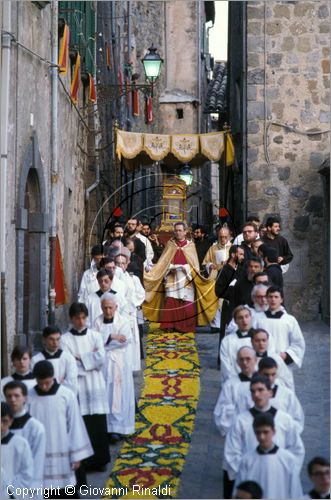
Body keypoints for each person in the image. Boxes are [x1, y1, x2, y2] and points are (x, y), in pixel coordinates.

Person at [223, 375, 305, 498]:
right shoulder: (241, 420)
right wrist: (246, 469)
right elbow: (232, 452)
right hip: (251, 477)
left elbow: (297, 449)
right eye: (253, 391)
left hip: (280, 480)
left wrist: (285, 469)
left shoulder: (285, 420)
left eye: (260, 390)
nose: (256, 394)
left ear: (270, 393)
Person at [29, 361, 93, 498]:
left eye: (47, 382)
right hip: (39, 455)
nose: (44, 387)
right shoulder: (29, 397)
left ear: (53, 377)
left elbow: (75, 425)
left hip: (63, 455)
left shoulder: (66, 395)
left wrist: (77, 456)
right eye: (41, 383)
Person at [143, 222, 218, 333]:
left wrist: (185, 268)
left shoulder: (190, 246)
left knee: (187, 304)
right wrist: (170, 267)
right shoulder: (170, 244)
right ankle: (169, 326)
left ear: (185, 231)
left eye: (180, 230)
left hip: (186, 278)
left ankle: (186, 327)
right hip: (172, 277)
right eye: (176, 230)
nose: (178, 233)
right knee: (171, 301)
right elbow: (164, 262)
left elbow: (195, 265)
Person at [61, 303, 110, 472]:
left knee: (97, 423)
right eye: (77, 318)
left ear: (87, 317)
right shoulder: (65, 339)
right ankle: (85, 463)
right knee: (82, 424)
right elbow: (69, 364)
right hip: (78, 387)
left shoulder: (96, 336)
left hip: (95, 385)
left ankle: (100, 460)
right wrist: (89, 359)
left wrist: (80, 358)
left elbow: (101, 358)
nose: (81, 322)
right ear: (71, 319)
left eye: (83, 317)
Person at [94, 293, 135, 443]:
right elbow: (95, 342)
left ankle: (117, 428)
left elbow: (125, 340)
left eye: (111, 308)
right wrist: (111, 336)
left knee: (118, 395)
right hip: (103, 363)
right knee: (104, 394)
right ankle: (105, 426)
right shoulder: (97, 322)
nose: (108, 311)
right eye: (105, 308)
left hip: (118, 362)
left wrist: (107, 341)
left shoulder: (123, 321)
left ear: (116, 307)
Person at [234, 414, 303, 499]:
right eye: (258, 433)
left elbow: (295, 492)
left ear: (274, 431)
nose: (262, 437)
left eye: (265, 432)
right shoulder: (246, 461)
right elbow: (238, 493)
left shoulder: (288, 460)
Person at [237, 356, 304, 432]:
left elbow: (298, 420)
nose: (270, 378)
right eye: (266, 374)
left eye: (273, 374)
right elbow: (240, 418)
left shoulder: (287, 394)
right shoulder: (247, 393)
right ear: (259, 372)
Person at [3, 381, 45, 492]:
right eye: (9, 396)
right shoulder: (3, 427)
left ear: (25, 398)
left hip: (28, 488)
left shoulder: (35, 427)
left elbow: (38, 462)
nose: (12, 400)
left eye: (16, 396)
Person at [254, 286, 305, 369]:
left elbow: (298, 343)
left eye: (276, 297)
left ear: (281, 299)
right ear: (266, 299)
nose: (273, 300)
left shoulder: (289, 320)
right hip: (261, 363)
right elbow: (250, 340)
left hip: (283, 364)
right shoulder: (257, 319)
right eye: (270, 297)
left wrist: (286, 355)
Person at [214, 346, 257, 436]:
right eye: (241, 360)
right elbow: (221, 413)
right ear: (237, 362)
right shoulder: (230, 385)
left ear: (255, 360)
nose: (245, 363)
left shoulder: (265, 383)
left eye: (248, 359)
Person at [114, 253, 145, 371]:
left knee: (130, 340)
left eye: (122, 263)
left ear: (127, 264)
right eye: (117, 263)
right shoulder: (112, 279)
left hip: (130, 313)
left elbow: (141, 294)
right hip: (116, 314)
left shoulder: (133, 279)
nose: (120, 266)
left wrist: (132, 302)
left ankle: (130, 366)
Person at [32, 325, 78, 394]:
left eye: (58, 339)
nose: (55, 343)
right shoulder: (35, 360)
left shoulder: (68, 358)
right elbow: (34, 382)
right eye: (51, 339)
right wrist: (59, 382)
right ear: (44, 340)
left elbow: (72, 383)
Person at [1, 402, 33, 497]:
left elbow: (27, 474)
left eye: (4, 421)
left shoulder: (20, 444)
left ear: (11, 421)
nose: (1, 426)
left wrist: (12, 492)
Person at [220, 306, 258, 383]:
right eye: (240, 318)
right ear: (235, 321)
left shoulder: (261, 338)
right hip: (235, 383)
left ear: (251, 318)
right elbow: (225, 366)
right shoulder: (227, 341)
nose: (244, 320)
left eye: (247, 316)